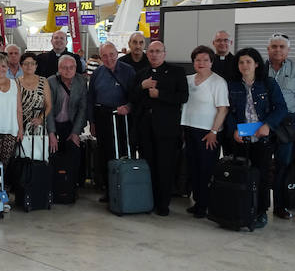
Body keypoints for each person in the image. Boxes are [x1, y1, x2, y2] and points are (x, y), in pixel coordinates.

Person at [225, 47, 288, 229]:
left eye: (248, 62)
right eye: (241, 62)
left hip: (262, 139)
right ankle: (241, 208)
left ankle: (260, 211)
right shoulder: (232, 85)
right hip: (240, 138)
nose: (245, 65)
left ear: (256, 64)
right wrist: (232, 130)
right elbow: (226, 110)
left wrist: (268, 125)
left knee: (261, 177)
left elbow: (281, 108)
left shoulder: (268, 83)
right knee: (241, 175)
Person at [130, 41, 189, 216]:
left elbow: (183, 96)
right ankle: (149, 200)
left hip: (166, 129)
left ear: (164, 53)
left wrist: (160, 94)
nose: (154, 54)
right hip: (145, 128)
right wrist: (142, 86)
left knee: (165, 166)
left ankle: (163, 204)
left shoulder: (176, 72)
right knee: (149, 166)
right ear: (147, 54)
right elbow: (132, 96)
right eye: (151, 52)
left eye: (158, 51)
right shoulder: (141, 74)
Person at [180, 45, 229, 218]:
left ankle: (205, 205)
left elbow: (223, 109)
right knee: (193, 168)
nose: (201, 63)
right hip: (189, 129)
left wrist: (214, 131)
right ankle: (198, 201)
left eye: (205, 60)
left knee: (206, 169)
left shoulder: (218, 82)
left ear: (211, 62)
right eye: (197, 60)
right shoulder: (188, 79)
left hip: (208, 133)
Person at [266, 33, 295, 219]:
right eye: (274, 46)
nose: (278, 50)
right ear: (268, 49)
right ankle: (260, 205)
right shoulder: (259, 68)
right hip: (265, 122)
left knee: (284, 165)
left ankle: (280, 206)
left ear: (288, 50)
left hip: (288, 123)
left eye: (281, 47)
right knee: (263, 164)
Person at [87, 42, 136, 202]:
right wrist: (92, 122)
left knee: (123, 152)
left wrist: (129, 106)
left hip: (122, 118)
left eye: (112, 54)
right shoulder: (97, 73)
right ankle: (109, 190)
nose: (109, 59)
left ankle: (125, 188)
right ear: (101, 57)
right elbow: (91, 98)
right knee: (105, 153)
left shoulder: (128, 71)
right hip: (102, 116)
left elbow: (135, 95)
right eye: (104, 56)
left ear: (117, 54)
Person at [46, 54, 87, 161]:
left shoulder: (81, 81)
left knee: (73, 155)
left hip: (71, 124)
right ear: (59, 69)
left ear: (75, 68)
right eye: (64, 68)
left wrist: (75, 132)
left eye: (71, 67)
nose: (68, 70)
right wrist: (51, 133)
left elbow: (82, 108)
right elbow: (48, 109)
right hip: (54, 123)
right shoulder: (51, 82)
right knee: (53, 154)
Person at [17, 51, 52, 135]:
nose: (29, 66)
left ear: (36, 66)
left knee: (38, 147)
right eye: (26, 63)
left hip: (38, 126)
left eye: (32, 63)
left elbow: (48, 105)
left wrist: (40, 119)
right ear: (21, 66)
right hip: (19, 126)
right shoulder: (16, 82)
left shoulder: (43, 81)